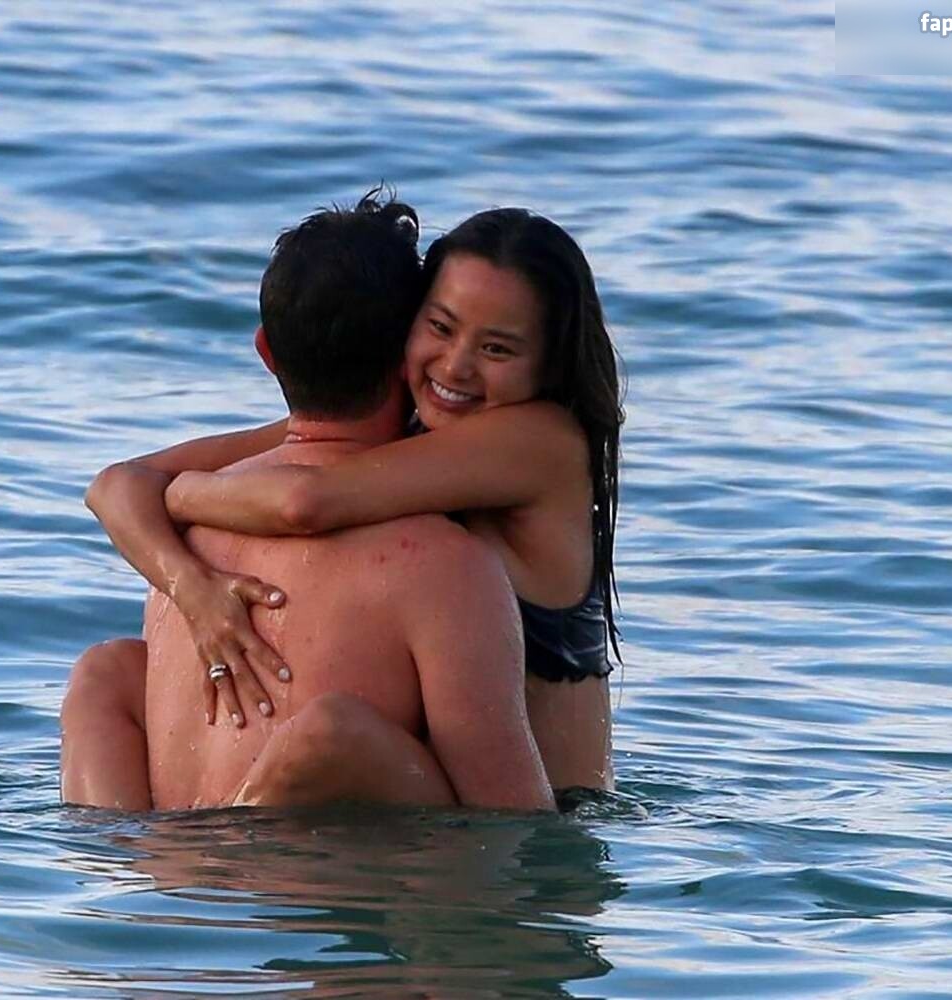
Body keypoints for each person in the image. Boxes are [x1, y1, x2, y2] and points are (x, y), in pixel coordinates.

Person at [61, 190, 554, 813]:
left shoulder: (181, 536)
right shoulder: (445, 567)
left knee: (106, 670)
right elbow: (513, 821)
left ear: (267, 352)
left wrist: (179, 521)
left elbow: (118, 482)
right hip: (310, 872)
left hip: (154, 871)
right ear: (410, 358)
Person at [159, 205, 624, 795]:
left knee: (330, 734)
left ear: (549, 367)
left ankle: (217, 847)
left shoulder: (541, 443)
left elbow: (305, 499)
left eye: (497, 350)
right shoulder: (410, 434)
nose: (456, 365)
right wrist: (189, 586)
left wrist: (179, 494)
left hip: (547, 823)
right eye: (441, 327)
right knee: (109, 668)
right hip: (450, 810)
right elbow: (117, 486)